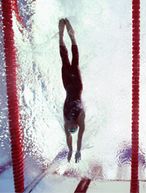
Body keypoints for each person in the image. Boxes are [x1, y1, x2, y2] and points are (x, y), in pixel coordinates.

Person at [59, 18, 85, 163]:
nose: (72, 125)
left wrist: (70, 149)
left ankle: (61, 36)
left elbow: (69, 138)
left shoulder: (65, 123)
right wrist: (78, 150)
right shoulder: (80, 117)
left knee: (64, 59)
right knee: (75, 60)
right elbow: (79, 136)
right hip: (77, 85)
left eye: (71, 127)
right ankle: (72, 37)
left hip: (67, 85)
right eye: (74, 126)